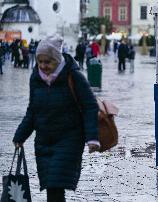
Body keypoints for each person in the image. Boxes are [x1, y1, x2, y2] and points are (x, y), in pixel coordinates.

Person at [12, 35, 101, 202]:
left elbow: (90, 106)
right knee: (51, 185)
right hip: (44, 141)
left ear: (57, 59)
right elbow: (33, 110)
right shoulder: (36, 78)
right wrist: (20, 135)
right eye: (40, 62)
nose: (43, 66)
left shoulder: (73, 76)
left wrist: (92, 138)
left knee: (55, 183)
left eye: (48, 62)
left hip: (69, 139)